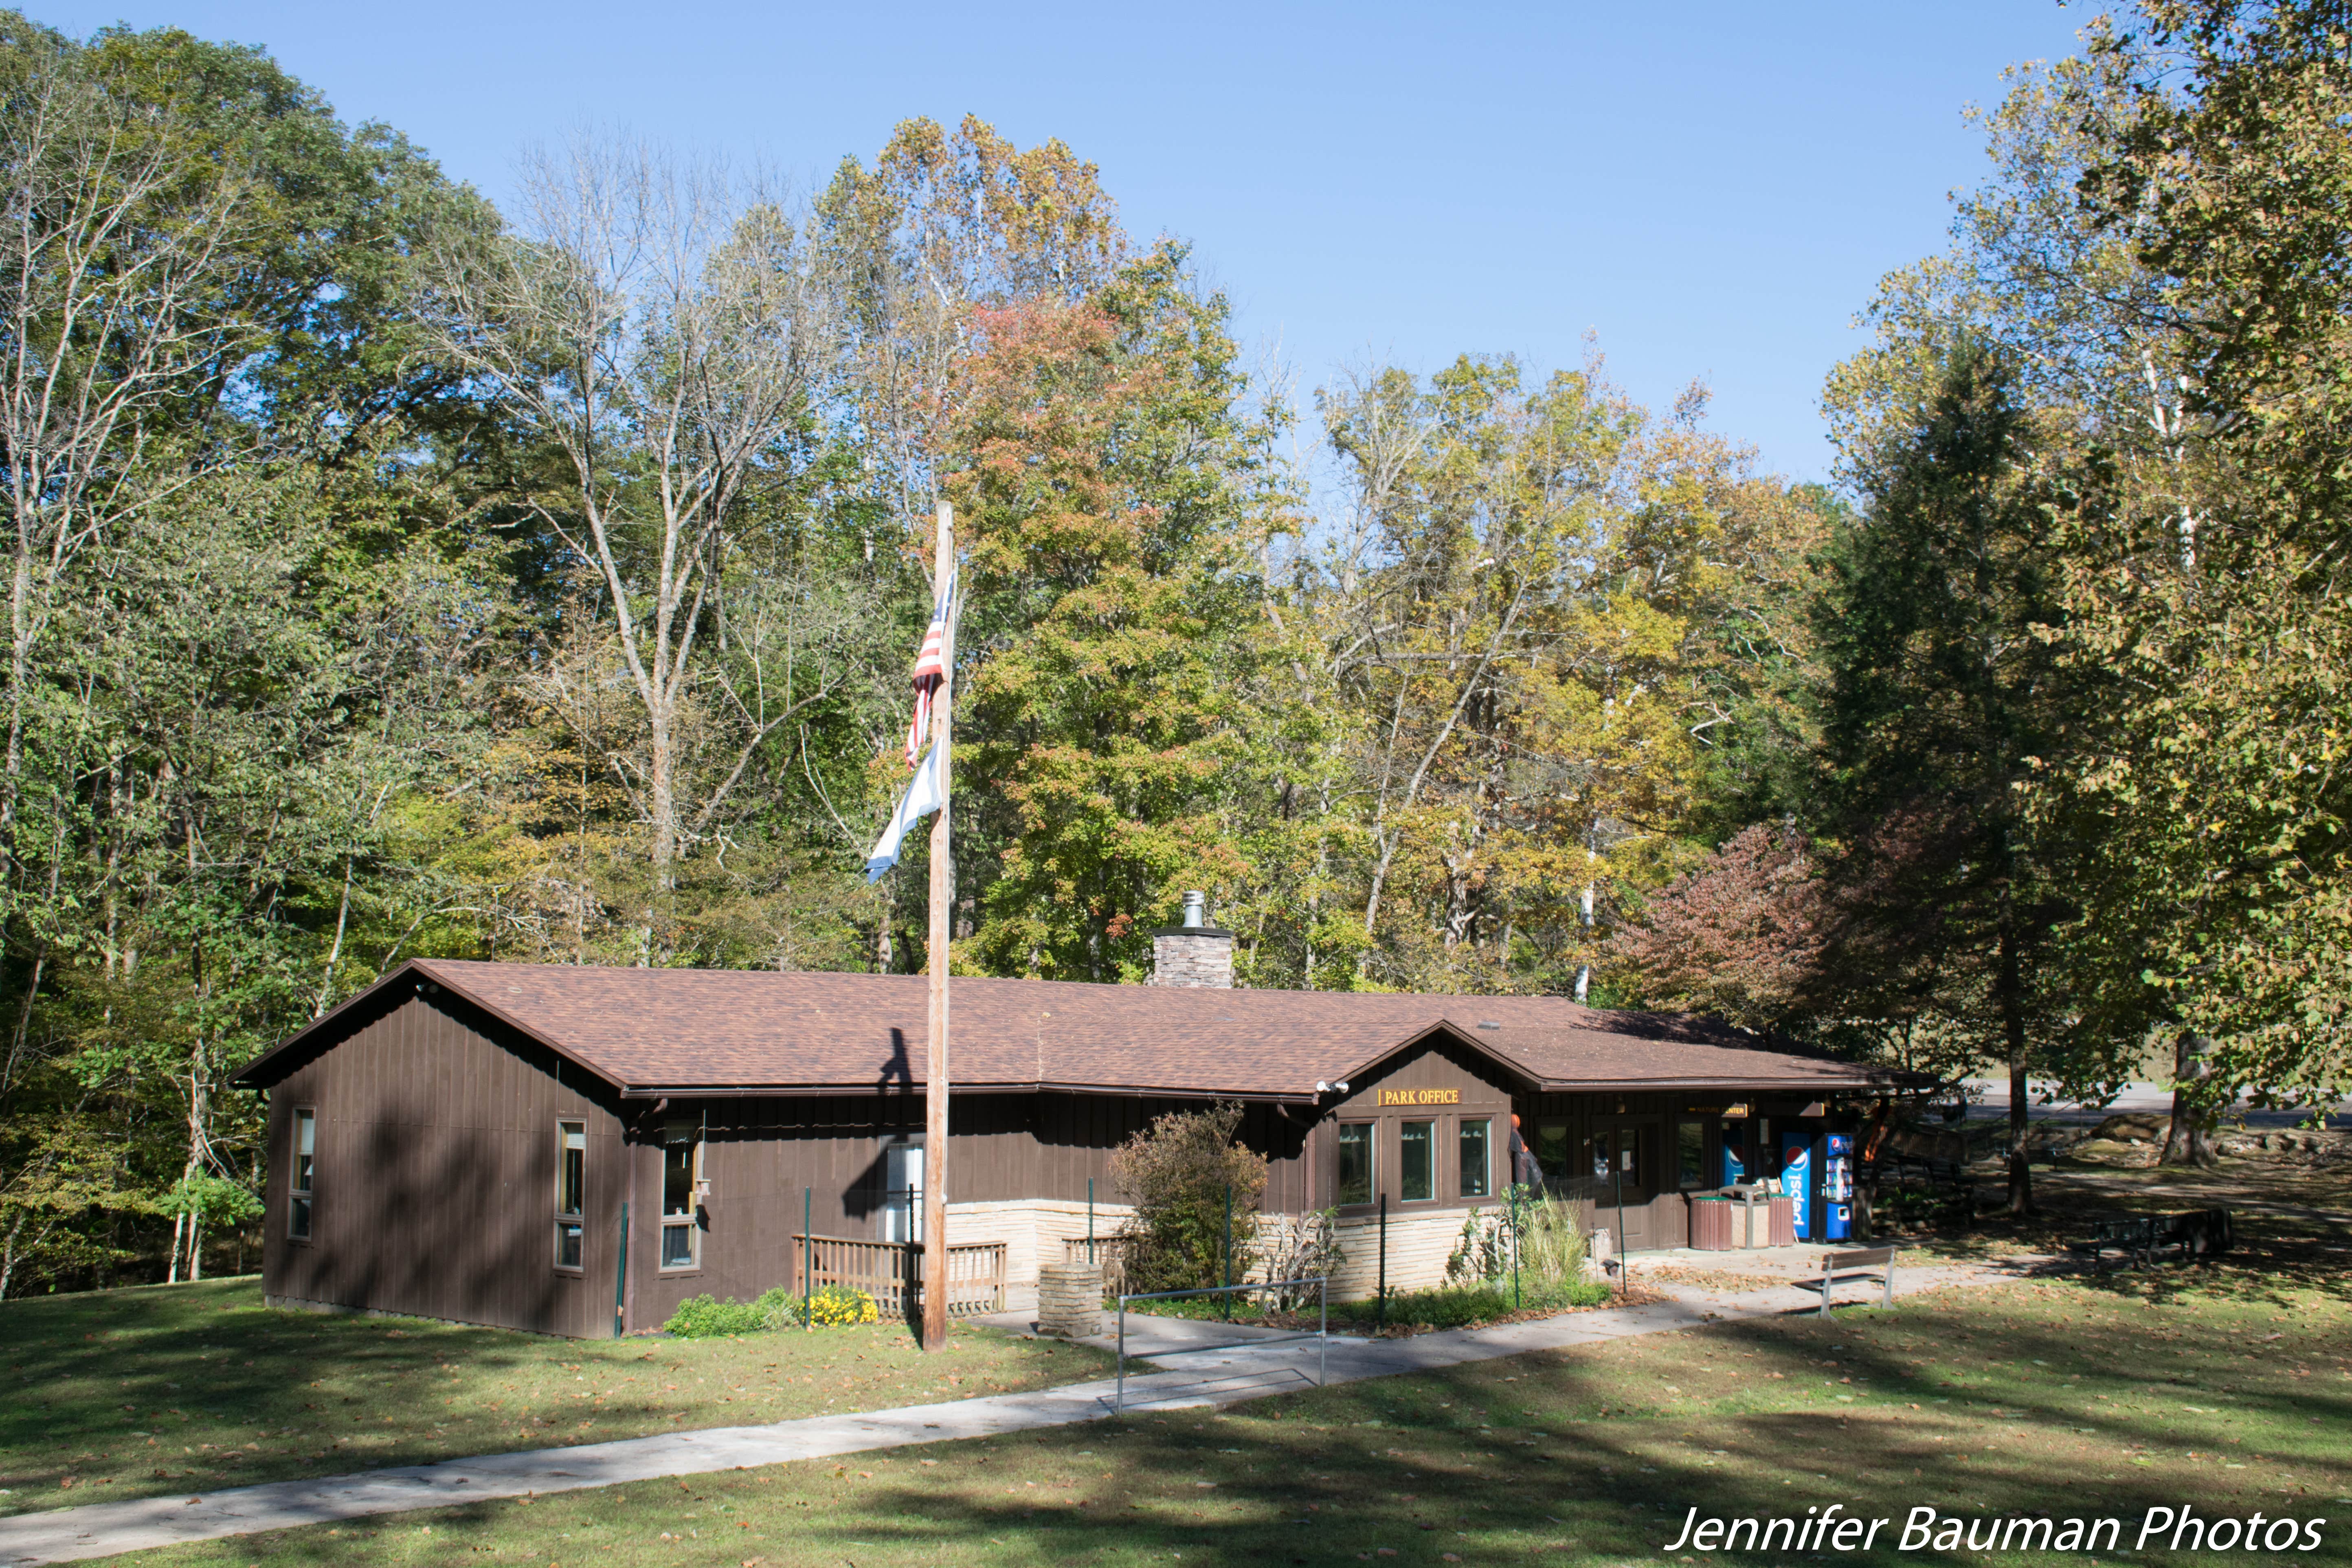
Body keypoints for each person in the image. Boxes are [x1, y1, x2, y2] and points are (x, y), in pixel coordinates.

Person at [1507, 1112, 1543, 1189]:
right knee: (1523, 1181)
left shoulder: (1516, 1133)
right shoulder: (1514, 1134)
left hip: (1524, 1159)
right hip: (1522, 1159)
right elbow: (1521, 1148)